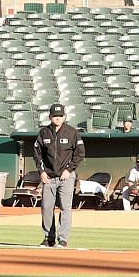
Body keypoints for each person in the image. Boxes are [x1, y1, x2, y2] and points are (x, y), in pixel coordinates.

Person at [36, 103, 85, 248]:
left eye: (60, 116)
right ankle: (48, 238)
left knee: (65, 207)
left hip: (66, 176)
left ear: (64, 117)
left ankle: (62, 239)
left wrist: (69, 170)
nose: (57, 118)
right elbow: (37, 154)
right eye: (55, 116)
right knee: (46, 207)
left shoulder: (72, 132)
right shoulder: (44, 133)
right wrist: (42, 172)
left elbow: (80, 153)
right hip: (49, 176)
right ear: (50, 117)